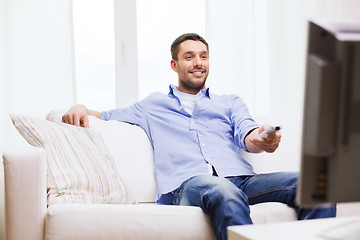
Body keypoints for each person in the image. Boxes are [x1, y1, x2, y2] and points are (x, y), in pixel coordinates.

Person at [62, 33, 336, 240]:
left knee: (316, 183)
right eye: (189, 56)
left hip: (241, 181)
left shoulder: (229, 102)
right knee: (222, 190)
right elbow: (105, 116)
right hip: (188, 185)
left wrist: (261, 139)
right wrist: (80, 108)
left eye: (203, 56)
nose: (198, 63)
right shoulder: (151, 106)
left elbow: (248, 134)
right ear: (174, 64)